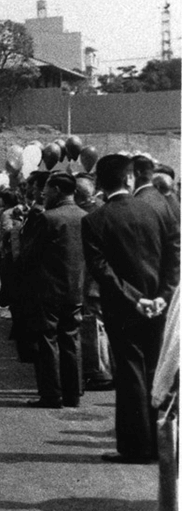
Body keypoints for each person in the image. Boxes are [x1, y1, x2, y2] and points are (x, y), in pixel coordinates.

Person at [82, 153, 180, 463]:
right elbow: (174, 256)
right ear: (129, 178)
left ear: (100, 182)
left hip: (123, 308)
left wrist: (135, 298)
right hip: (160, 306)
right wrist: (163, 295)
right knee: (156, 371)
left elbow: (102, 270)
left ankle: (136, 447)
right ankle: (162, 443)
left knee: (129, 375)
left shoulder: (95, 219)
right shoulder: (158, 209)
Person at [16, 172, 85, 409]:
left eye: (46, 190)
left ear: (56, 189)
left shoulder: (48, 219)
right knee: (71, 339)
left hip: (47, 289)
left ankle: (51, 394)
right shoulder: (85, 217)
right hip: (75, 289)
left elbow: (28, 255)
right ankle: (73, 394)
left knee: (48, 341)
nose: (44, 195)